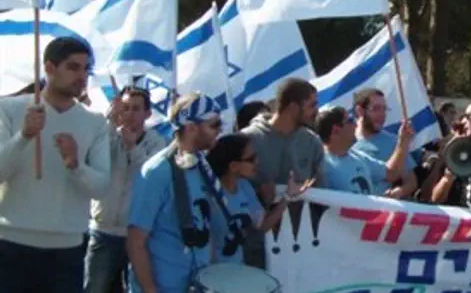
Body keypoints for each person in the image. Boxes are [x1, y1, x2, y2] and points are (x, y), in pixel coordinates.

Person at [0, 37, 111, 293]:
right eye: (73, 67)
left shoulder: (96, 123)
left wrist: (75, 165)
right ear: (49, 68)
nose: (82, 76)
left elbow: (101, 187)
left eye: (86, 69)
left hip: (67, 251)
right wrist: (25, 136)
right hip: (11, 245)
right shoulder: (8, 109)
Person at [126, 93, 223, 293]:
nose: (219, 131)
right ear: (191, 127)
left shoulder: (202, 168)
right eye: (213, 125)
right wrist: (150, 290)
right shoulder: (157, 172)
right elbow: (136, 240)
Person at [85, 86, 167, 293]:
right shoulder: (107, 135)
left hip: (136, 234)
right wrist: (108, 123)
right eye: (126, 108)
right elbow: (90, 156)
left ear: (147, 113)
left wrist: (132, 148)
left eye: (136, 108)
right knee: (95, 286)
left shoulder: (156, 142)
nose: (129, 113)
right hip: (103, 229)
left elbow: (150, 175)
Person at [241, 78, 324, 269]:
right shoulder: (248, 139)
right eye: (312, 105)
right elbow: (231, 190)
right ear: (294, 107)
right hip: (255, 251)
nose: (317, 111)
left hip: (299, 250)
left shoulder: (312, 143)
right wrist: (258, 194)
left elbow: (322, 195)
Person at [205, 133, 313, 264]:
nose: (257, 162)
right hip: (209, 274)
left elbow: (262, 225)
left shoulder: (244, 187)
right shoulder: (207, 193)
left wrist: (287, 197)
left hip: (237, 271)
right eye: (251, 159)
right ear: (233, 166)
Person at [315, 106, 414, 196]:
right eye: (350, 120)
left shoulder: (357, 156)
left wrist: (403, 142)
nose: (356, 124)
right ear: (335, 130)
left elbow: (391, 173)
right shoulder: (321, 166)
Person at [351, 88, 418, 198]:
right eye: (376, 109)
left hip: (383, 210)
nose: (382, 114)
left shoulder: (395, 142)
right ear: (360, 111)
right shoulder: (343, 139)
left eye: (384, 109)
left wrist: (399, 191)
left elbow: (411, 181)